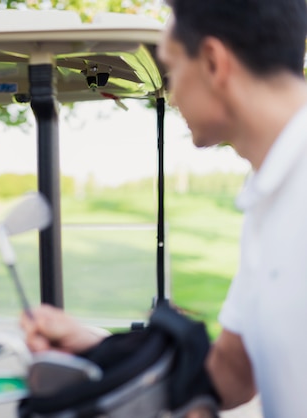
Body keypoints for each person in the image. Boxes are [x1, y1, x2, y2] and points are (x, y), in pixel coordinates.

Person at [22, 0, 307, 416]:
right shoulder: (267, 190)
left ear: (213, 62)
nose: (172, 97)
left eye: (172, 70)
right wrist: (100, 348)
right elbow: (229, 374)